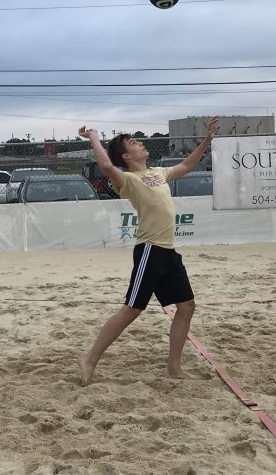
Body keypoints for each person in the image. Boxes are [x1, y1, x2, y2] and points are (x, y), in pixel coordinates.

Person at [77, 118, 218, 386]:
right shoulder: (127, 179)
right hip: (150, 251)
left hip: (168, 252)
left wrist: (207, 140)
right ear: (127, 155)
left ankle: (174, 367)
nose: (141, 143)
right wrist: (94, 136)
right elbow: (106, 165)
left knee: (187, 306)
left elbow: (187, 165)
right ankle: (90, 359)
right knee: (132, 309)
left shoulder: (158, 173)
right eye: (134, 143)